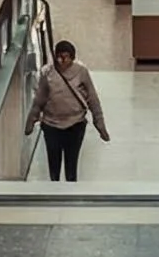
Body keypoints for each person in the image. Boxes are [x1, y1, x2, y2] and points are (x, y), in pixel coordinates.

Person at [26, 38, 109, 182]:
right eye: (59, 57)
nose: (62, 60)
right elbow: (39, 100)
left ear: (72, 57)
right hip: (51, 125)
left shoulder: (81, 72)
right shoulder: (48, 73)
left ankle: (70, 194)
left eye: (66, 57)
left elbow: (93, 99)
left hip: (75, 125)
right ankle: (55, 192)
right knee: (54, 164)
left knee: (71, 165)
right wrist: (31, 121)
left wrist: (100, 123)